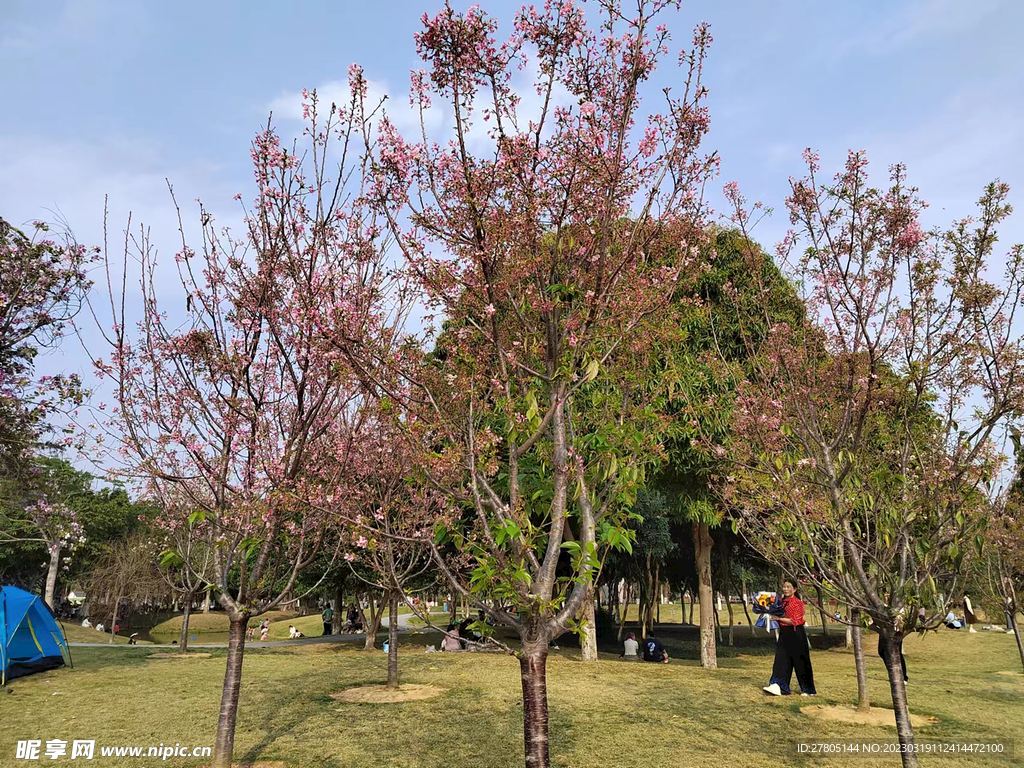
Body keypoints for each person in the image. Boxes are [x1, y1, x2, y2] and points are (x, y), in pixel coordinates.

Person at [763, 578, 816, 696]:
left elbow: (795, 621)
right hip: (784, 633)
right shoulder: (780, 601)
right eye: (784, 587)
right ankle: (779, 685)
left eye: (788, 587)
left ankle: (807, 689)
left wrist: (778, 618)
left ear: (794, 589)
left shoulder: (798, 603)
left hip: (796, 633)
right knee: (781, 659)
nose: (785, 589)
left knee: (801, 661)